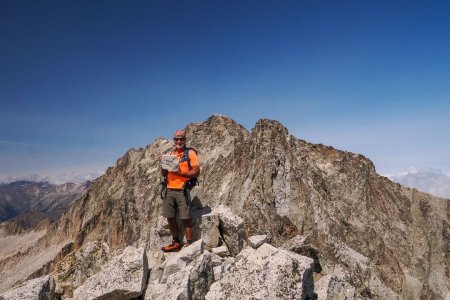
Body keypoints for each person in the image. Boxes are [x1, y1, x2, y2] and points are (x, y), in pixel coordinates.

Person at [160, 129, 200, 252]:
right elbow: (164, 173)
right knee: (170, 217)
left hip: (182, 190)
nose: (179, 141)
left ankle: (189, 244)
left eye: (181, 138)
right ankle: (176, 242)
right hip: (169, 189)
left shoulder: (190, 153)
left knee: (185, 218)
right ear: (174, 140)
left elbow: (196, 171)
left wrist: (180, 172)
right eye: (177, 139)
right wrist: (162, 163)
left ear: (185, 140)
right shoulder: (171, 154)